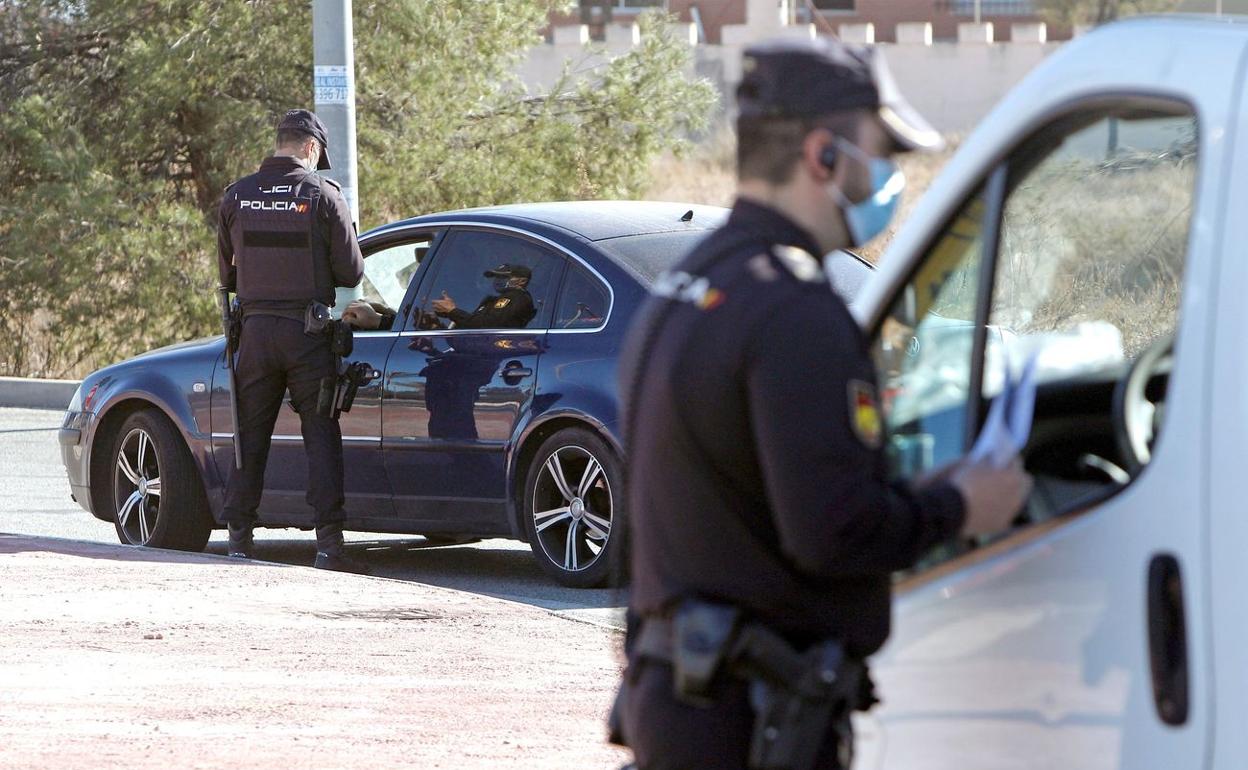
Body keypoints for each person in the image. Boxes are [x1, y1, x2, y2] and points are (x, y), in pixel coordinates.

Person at [612, 38, 1033, 770]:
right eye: (882, 155)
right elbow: (832, 532)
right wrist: (963, 506)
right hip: (750, 720)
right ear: (823, 157)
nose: (893, 178)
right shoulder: (794, 312)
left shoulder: (690, 286)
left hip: (683, 701)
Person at [217, 108, 369, 574]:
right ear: (309, 147)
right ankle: (328, 545)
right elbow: (352, 271)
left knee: (251, 436)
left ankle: (239, 540)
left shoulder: (237, 195)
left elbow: (226, 273)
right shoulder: (323, 195)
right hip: (309, 334)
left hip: (256, 333)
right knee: (320, 435)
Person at [343, 263, 536, 332]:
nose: (497, 282)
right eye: (496, 278)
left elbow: (484, 326)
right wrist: (388, 314)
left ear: (520, 281)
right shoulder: (491, 301)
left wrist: (452, 312)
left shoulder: (516, 299)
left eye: (503, 278)